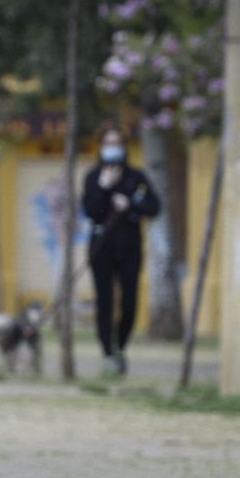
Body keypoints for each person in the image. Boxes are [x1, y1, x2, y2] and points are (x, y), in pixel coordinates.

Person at [82, 125, 160, 375]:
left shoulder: (136, 178)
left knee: (129, 302)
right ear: (101, 146)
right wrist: (104, 188)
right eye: (108, 142)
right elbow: (90, 210)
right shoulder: (93, 177)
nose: (112, 148)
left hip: (130, 248)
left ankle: (120, 346)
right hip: (101, 247)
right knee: (104, 302)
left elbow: (154, 207)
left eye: (117, 142)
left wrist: (132, 205)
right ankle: (107, 353)